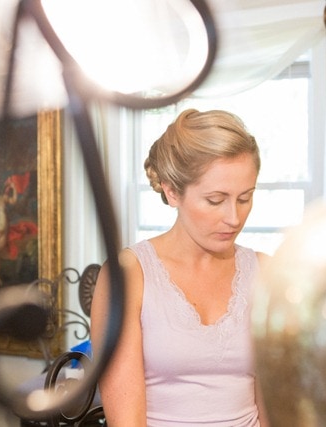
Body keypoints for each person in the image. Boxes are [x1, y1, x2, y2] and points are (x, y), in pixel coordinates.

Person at [91, 109, 270, 426]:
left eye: (245, 198)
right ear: (172, 191)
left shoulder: (265, 273)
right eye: (215, 200)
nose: (234, 218)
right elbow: (127, 421)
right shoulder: (129, 275)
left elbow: (273, 408)